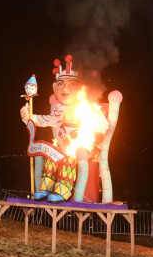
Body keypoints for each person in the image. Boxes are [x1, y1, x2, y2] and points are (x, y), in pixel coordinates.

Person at [20, 55, 109, 203]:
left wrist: (98, 133)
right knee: (51, 158)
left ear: (81, 88)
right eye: (60, 84)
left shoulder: (87, 106)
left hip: (81, 150)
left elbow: (102, 123)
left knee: (68, 159)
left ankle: (63, 190)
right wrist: (28, 117)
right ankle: (45, 189)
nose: (65, 88)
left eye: (71, 84)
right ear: (55, 88)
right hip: (61, 148)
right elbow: (44, 120)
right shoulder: (59, 110)